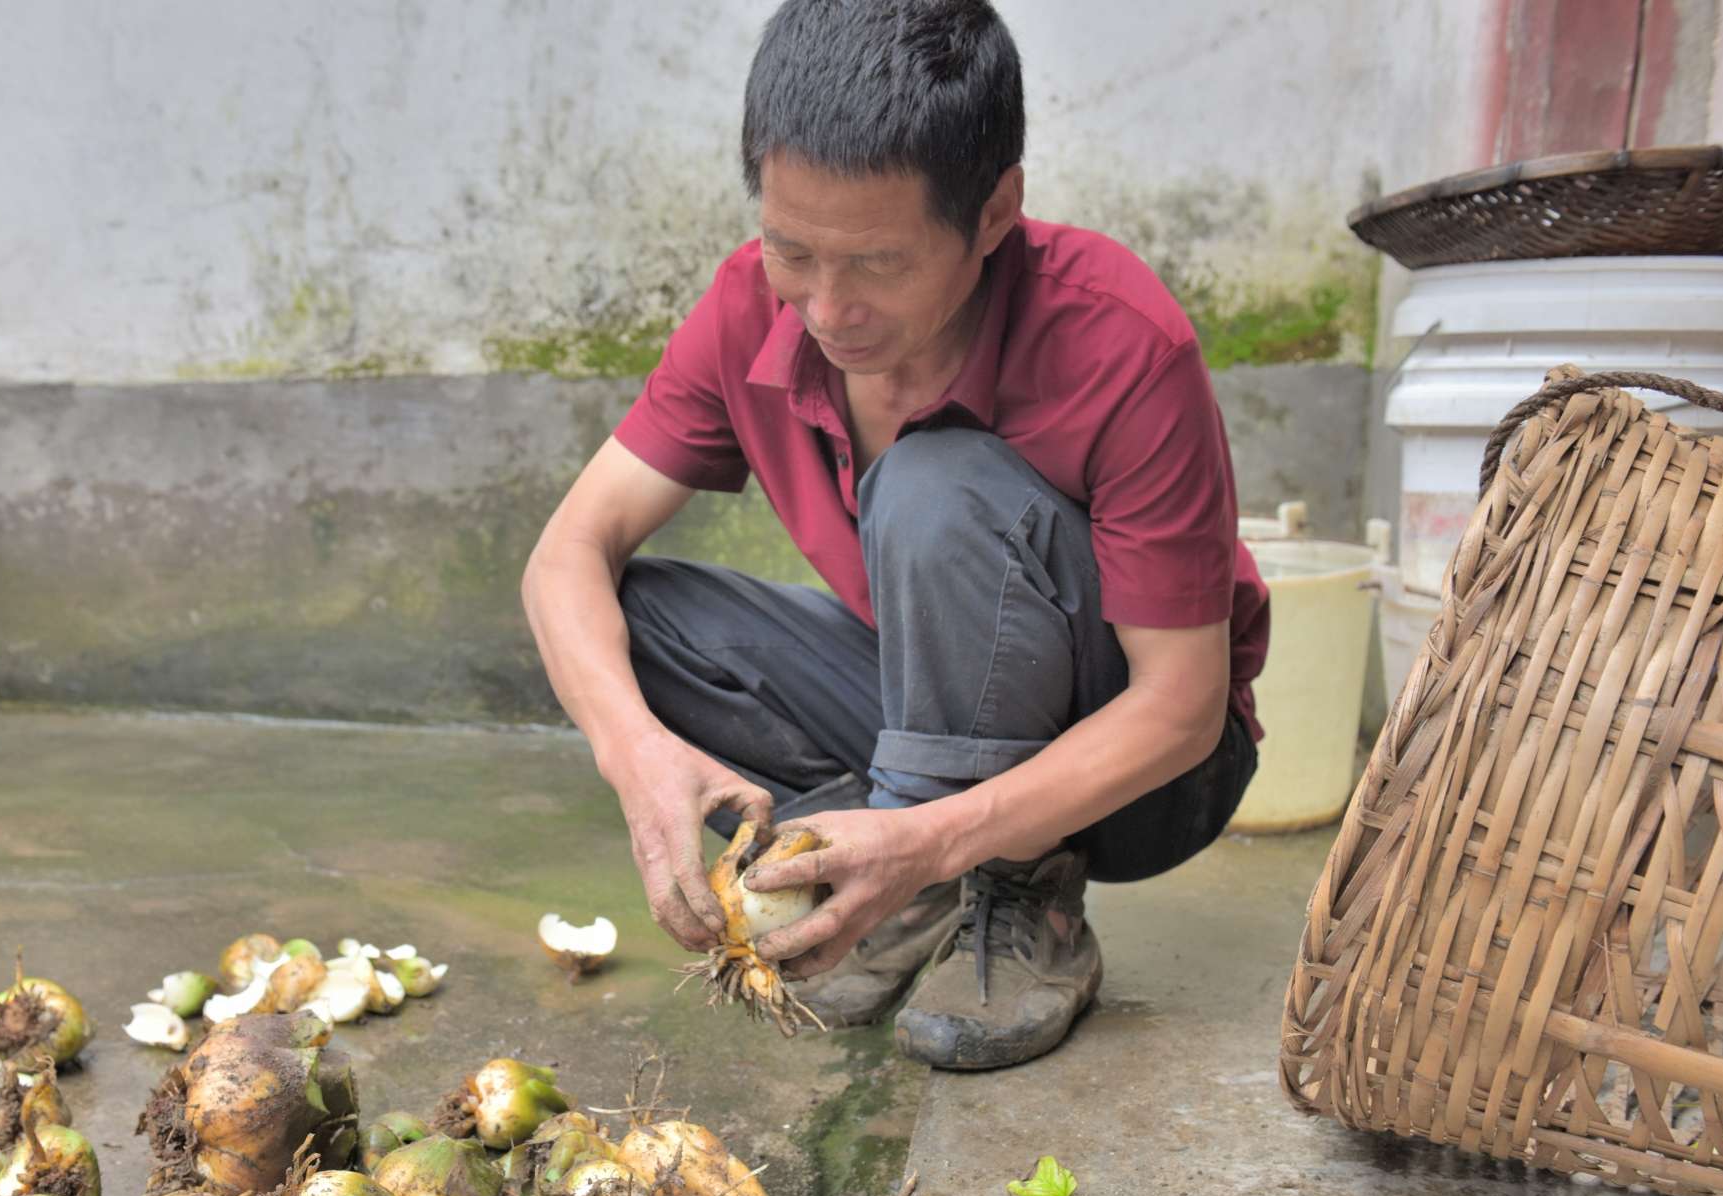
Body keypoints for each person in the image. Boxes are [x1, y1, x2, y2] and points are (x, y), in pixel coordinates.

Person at [520, 0, 1268, 1071]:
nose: (826, 309)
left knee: (932, 480)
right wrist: (633, 754)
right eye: (793, 250)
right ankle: (907, 866)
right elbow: (565, 556)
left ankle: (1011, 890)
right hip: (932, 704)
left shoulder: (1117, 337)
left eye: (879, 262)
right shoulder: (750, 307)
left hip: (1148, 779)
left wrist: (936, 838)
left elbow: (1183, 709)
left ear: (996, 210)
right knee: (624, 627)